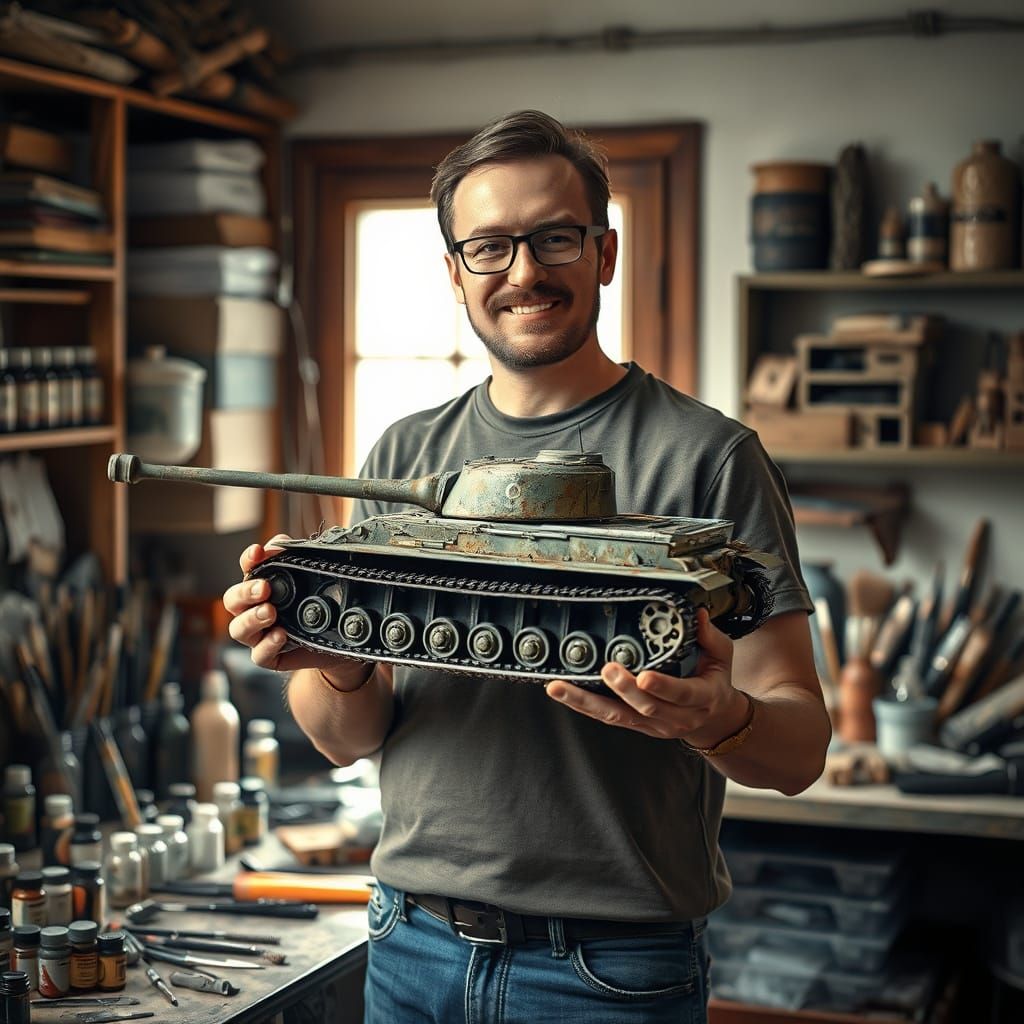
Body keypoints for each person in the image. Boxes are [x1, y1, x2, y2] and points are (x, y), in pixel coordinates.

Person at [223, 109, 830, 1023]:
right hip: (410, 944)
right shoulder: (405, 454)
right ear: (455, 272)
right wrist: (337, 662)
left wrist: (719, 719)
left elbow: (802, 747)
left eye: (554, 238)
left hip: (606, 970)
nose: (525, 273)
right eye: (490, 246)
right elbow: (349, 736)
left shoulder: (709, 456)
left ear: (605, 253)